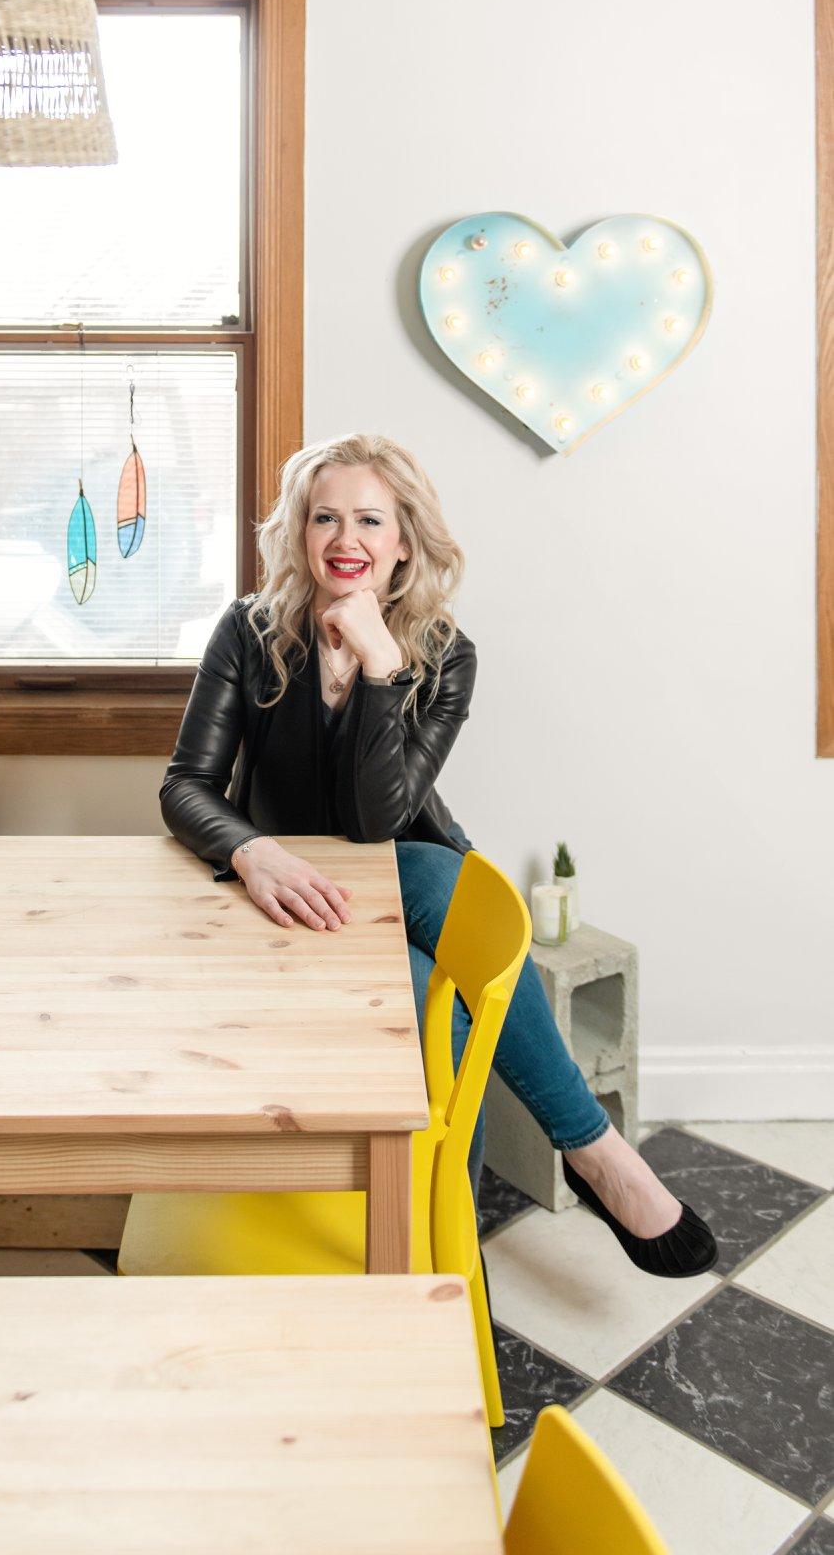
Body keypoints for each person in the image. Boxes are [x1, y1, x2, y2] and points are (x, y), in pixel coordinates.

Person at [160, 430, 716, 1279]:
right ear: (299, 533)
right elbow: (186, 786)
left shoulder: (446, 654)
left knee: (439, 957)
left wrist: (381, 670)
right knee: (441, 990)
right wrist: (252, 852)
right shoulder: (249, 631)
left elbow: (378, 824)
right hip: (289, 892)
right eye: (326, 518)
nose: (346, 541)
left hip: (403, 879)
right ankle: (548, 1179)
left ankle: (448, 1231)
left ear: (405, 542)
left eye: (371, 521)